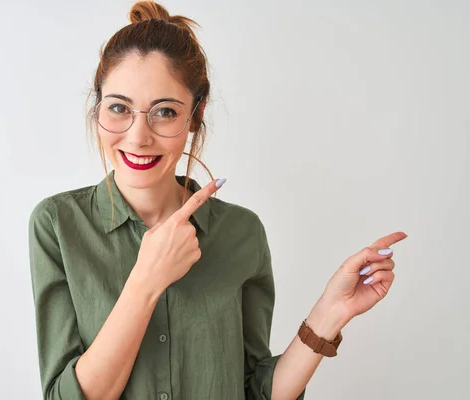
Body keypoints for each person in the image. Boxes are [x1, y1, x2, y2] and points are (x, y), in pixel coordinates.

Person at [27, 1, 407, 399]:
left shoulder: (241, 232)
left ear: (195, 114)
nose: (138, 136)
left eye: (165, 112)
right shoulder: (57, 225)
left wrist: (331, 312)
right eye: (119, 108)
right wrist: (146, 281)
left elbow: (257, 392)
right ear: (97, 106)